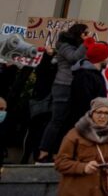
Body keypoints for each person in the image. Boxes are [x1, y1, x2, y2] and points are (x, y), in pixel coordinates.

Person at [39, 23, 89, 163]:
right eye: (85, 33)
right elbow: (73, 58)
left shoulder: (75, 45)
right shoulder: (65, 45)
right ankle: (43, 152)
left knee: (66, 121)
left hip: (72, 86)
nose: (87, 36)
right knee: (57, 120)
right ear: (79, 33)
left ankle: (56, 152)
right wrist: (85, 44)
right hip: (63, 85)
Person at [54, 97, 108, 196]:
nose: (102, 116)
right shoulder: (75, 134)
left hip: (100, 192)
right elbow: (60, 162)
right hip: (75, 191)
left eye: (107, 113)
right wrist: (83, 167)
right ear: (91, 113)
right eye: (98, 112)